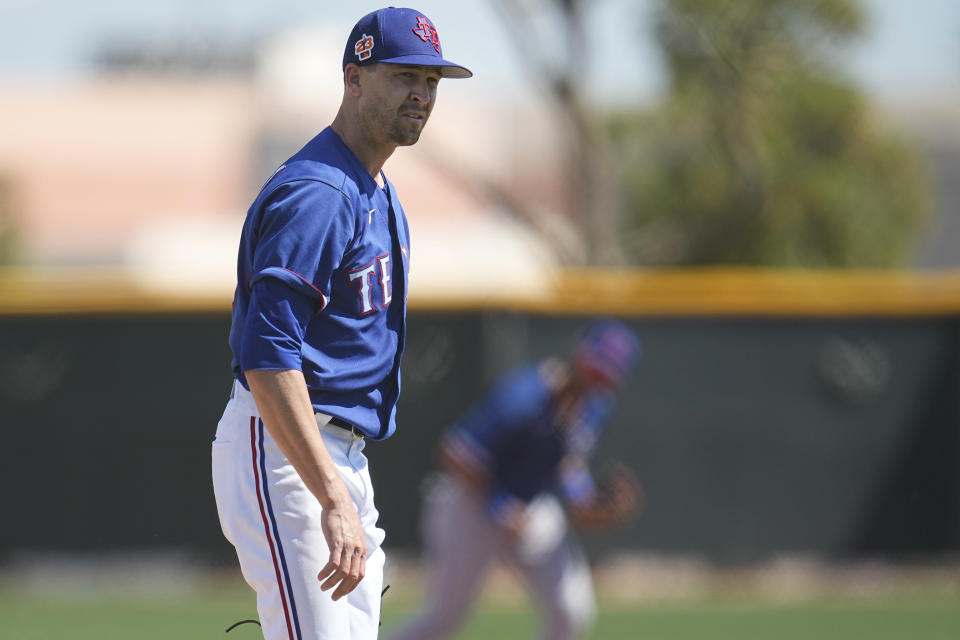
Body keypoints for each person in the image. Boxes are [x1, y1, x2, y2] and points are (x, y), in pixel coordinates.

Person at [211, 8, 471, 640]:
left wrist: (339, 487)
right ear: (354, 78)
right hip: (288, 450)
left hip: (338, 455)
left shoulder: (374, 188)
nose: (422, 93)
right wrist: (329, 495)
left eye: (433, 80)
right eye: (404, 74)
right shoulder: (321, 193)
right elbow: (267, 356)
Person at [385, 320, 644, 640]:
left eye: (607, 375)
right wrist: (498, 503)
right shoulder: (526, 394)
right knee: (443, 620)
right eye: (596, 367)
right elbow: (455, 453)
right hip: (468, 506)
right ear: (578, 353)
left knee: (571, 611)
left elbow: (568, 462)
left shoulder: (596, 408)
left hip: (530, 507)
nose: (597, 379)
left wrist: (587, 502)